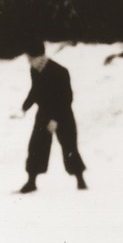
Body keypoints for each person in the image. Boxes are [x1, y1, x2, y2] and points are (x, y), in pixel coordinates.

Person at [19, 40, 87, 194]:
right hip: (44, 113)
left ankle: (80, 180)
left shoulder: (60, 71)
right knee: (36, 146)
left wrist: (56, 119)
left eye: (30, 58)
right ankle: (31, 182)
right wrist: (26, 106)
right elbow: (36, 90)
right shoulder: (35, 70)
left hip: (63, 114)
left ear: (40, 57)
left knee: (69, 147)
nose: (29, 61)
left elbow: (67, 98)